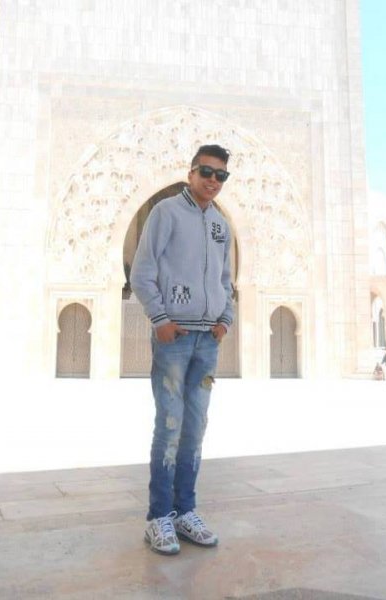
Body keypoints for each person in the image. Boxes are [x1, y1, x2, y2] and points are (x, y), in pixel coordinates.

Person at [130, 144, 234, 555]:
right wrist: (160, 319)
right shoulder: (166, 213)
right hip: (174, 338)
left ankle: (185, 510)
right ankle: (159, 516)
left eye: (220, 175)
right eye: (206, 172)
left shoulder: (221, 224)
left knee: (196, 427)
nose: (213, 181)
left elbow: (225, 279)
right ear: (191, 173)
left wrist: (225, 320)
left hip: (208, 340)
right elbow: (142, 271)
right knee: (170, 426)